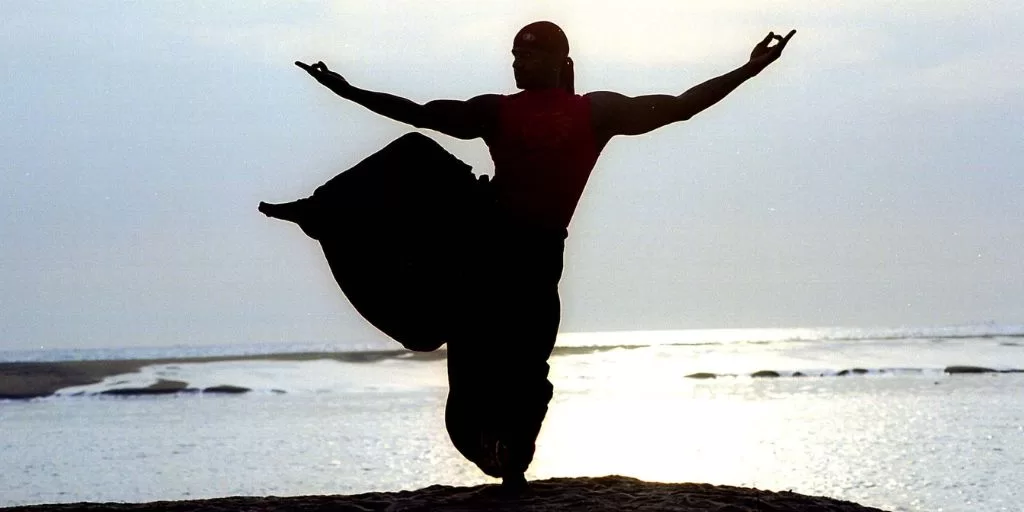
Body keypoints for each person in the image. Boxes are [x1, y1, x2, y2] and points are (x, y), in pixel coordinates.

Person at [264, 21, 795, 490]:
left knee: (528, 374)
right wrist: (346, 89)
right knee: (415, 151)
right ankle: (322, 209)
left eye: (531, 55)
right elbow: (420, 113)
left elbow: (678, 108)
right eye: (515, 55)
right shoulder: (497, 111)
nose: (519, 63)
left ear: (562, 62)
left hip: (538, 258)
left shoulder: (596, 112)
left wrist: (749, 68)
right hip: (482, 242)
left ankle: (513, 466)